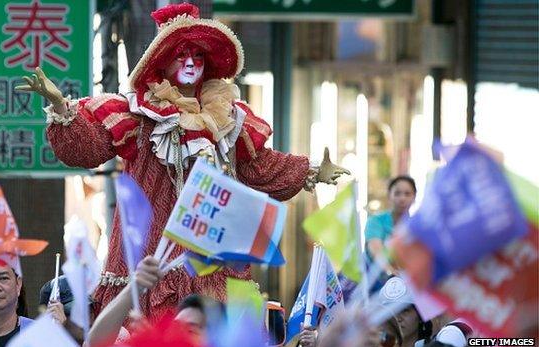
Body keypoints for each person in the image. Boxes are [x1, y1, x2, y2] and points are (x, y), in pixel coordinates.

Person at [17, 2, 350, 319]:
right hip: (151, 253)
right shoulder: (139, 115)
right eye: (180, 56)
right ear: (163, 64)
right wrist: (62, 108)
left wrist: (312, 170)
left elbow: (258, 168)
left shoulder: (228, 118)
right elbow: (90, 147)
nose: (190, 62)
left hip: (212, 253)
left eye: (196, 55)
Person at [365, 175, 417, 275]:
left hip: (403, 284)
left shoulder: (416, 227)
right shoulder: (375, 221)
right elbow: (376, 250)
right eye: (397, 193)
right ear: (389, 195)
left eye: (407, 194)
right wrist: (391, 272)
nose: (402, 198)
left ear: (414, 197)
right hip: (371, 283)